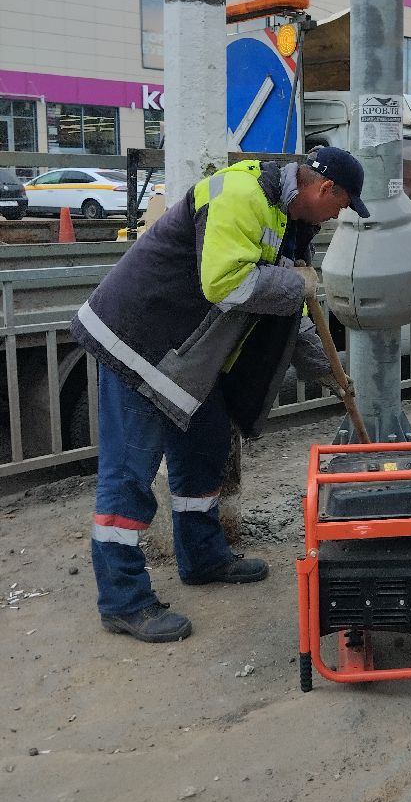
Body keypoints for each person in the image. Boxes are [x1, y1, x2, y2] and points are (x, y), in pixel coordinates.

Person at [71, 146, 370, 643]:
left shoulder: (288, 220)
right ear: (325, 190)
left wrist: (331, 374)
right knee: (129, 476)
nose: (338, 215)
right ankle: (123, 601)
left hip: (186, 356)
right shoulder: (241, 193)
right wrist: (296, 284)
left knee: (205, 449)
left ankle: (204, 558)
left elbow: (291, 316)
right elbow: (225, 283)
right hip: (136, 340)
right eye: (341, 206)